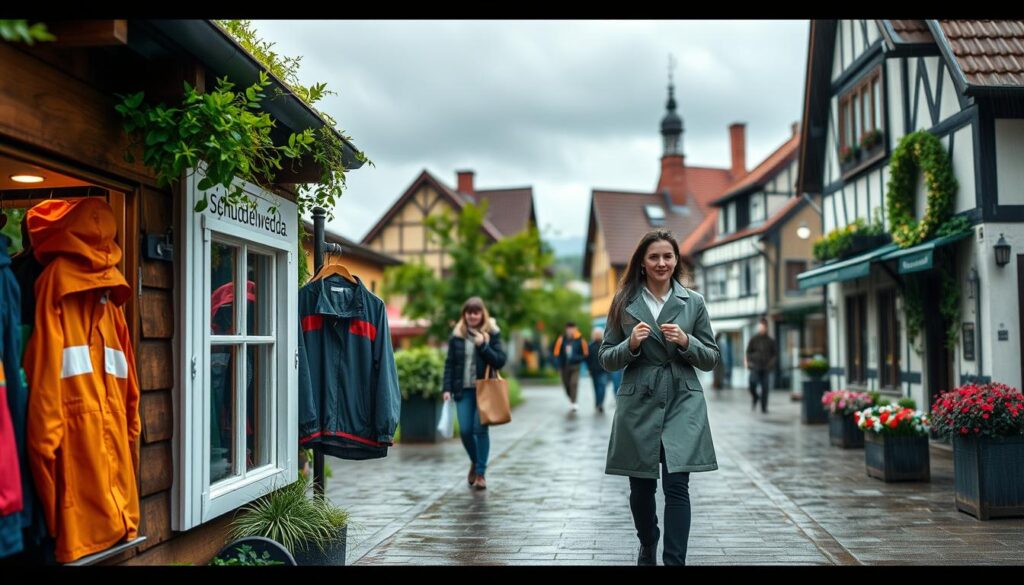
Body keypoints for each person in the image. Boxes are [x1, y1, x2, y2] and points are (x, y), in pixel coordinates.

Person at [599, 230, 720, 566]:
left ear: (676, 260)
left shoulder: (693, 302)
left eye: (668, 256)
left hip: (683, 399)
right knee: (641, 490)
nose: (662, 263)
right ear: (642, 262)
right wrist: (631, 345)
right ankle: (648, 540)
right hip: (638, 400)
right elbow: (607, 357)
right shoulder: (624, 301)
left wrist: (686, 341)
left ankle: (674, 561)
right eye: (654, 257)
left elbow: (711, 358)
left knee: (677, 486)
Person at [442, 297, 506, 490]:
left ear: (482, 314)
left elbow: (500, 360)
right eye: (469, 312)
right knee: (465, 431)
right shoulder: (457, 336)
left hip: (484, 389)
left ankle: (480, 473)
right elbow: (450, 364)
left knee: (480, 429)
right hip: (463, 390)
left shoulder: (492, 334)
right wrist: (446, 388)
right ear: (465, 314)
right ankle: (475, 461)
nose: (472, 315)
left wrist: (483, 346)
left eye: (476, 312)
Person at [553, 321, 588, 413]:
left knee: (574, 383)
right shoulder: (561, 339)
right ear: (566, 329)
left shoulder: (580, 340)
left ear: (576, 329)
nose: (570, 330)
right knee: (566, 385)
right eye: (569, 328)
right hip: (564, 366)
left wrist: (576, 358)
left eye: (572, 328)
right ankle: (571, 398)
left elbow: (585, 354)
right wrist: (557, 365)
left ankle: (574, 402)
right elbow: (556, 353)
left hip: (575, 366)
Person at [745, 317, 777, 414]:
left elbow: (774, 354)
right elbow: (748, 352)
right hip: (755, 367)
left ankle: (764, 407)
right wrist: (748, 362)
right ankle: (755, 397)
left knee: (765, 388)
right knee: (752, 384)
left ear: (766, 327)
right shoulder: (754, 339)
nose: (761, 328)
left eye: (763, 327)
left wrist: (770, 364)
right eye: (760, 326)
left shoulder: (770, 341)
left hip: (765, 368)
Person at [588, 328, 609, 413]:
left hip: (603, 370)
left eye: (598, 334)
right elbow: (587, 359)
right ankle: (597, 403)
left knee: (602, 387)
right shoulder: (590, 346)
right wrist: (589, 368)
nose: (597, 335)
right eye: (595, 334)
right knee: (596, 388)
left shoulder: (604, 345)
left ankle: (600, 403)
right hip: (594, 371)